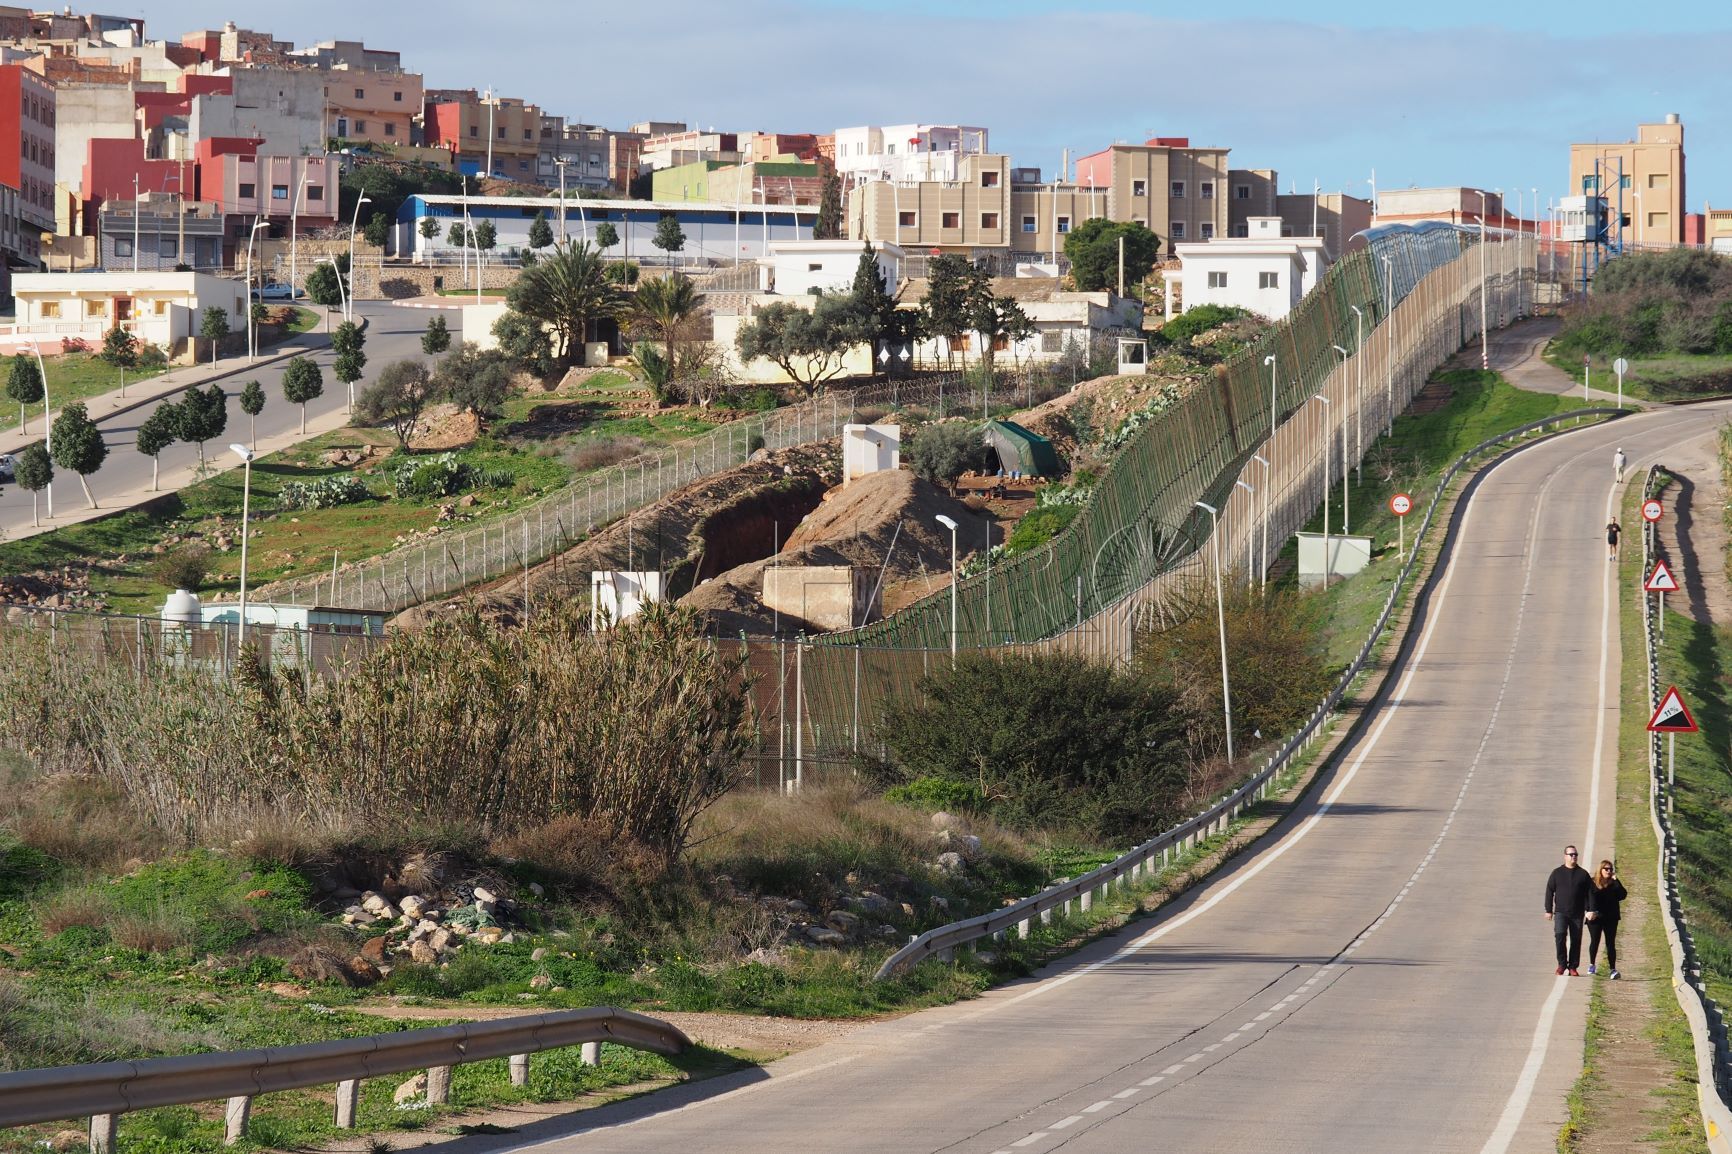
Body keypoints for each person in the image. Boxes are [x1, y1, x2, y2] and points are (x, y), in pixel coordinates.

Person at [1545, 845, 1592, 976]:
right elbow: (1549, 891)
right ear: (1565, 856)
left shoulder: (1583, 874)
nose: (1574, 857)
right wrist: (1548, 910)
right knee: (1560, 936)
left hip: (1577, 913)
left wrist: (1590, 909)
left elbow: (1590, 893)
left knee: (1576, 939)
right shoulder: (1557, 873)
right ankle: (1561, 964)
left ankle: (1573, 966)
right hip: (1561, 912)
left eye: (1576, 854)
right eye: (1571, 854)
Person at [1586, 859, 1628, 978]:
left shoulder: (1614, 884)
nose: (1609, 871)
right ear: (1601, 870)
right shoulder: (1593, 882)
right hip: (1596, 918)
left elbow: (1623, 895)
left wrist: (1617, 880)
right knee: (1595, 941)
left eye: (1611, 869)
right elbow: (1588, 898)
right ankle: (1592, 965)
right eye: (1606, 869)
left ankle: (1612, 969)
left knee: (1610, 943)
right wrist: (1589, 911)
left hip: (1611, 917)